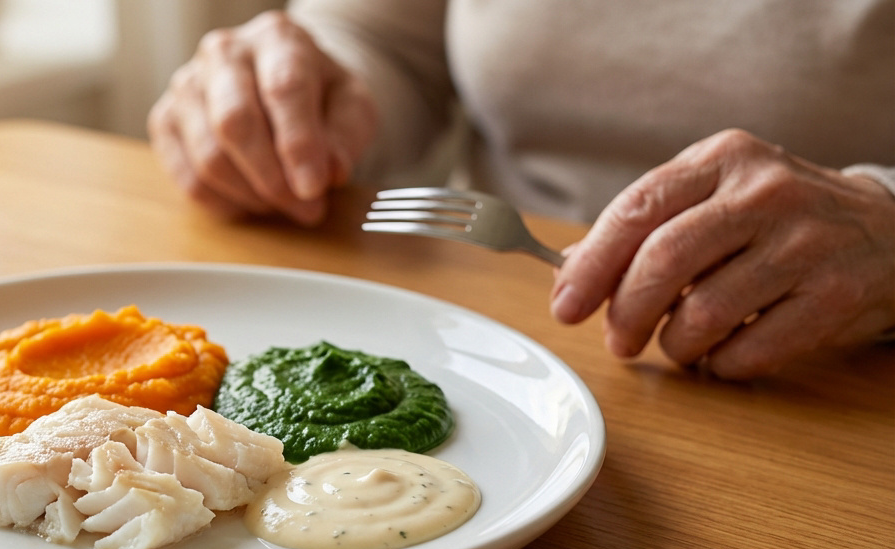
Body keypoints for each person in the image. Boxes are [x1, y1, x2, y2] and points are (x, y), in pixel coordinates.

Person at [147, 0, 895, 380]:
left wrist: (883, 220)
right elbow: (382, 40)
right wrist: (296, 97)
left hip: (835, 380)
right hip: (492, 329)